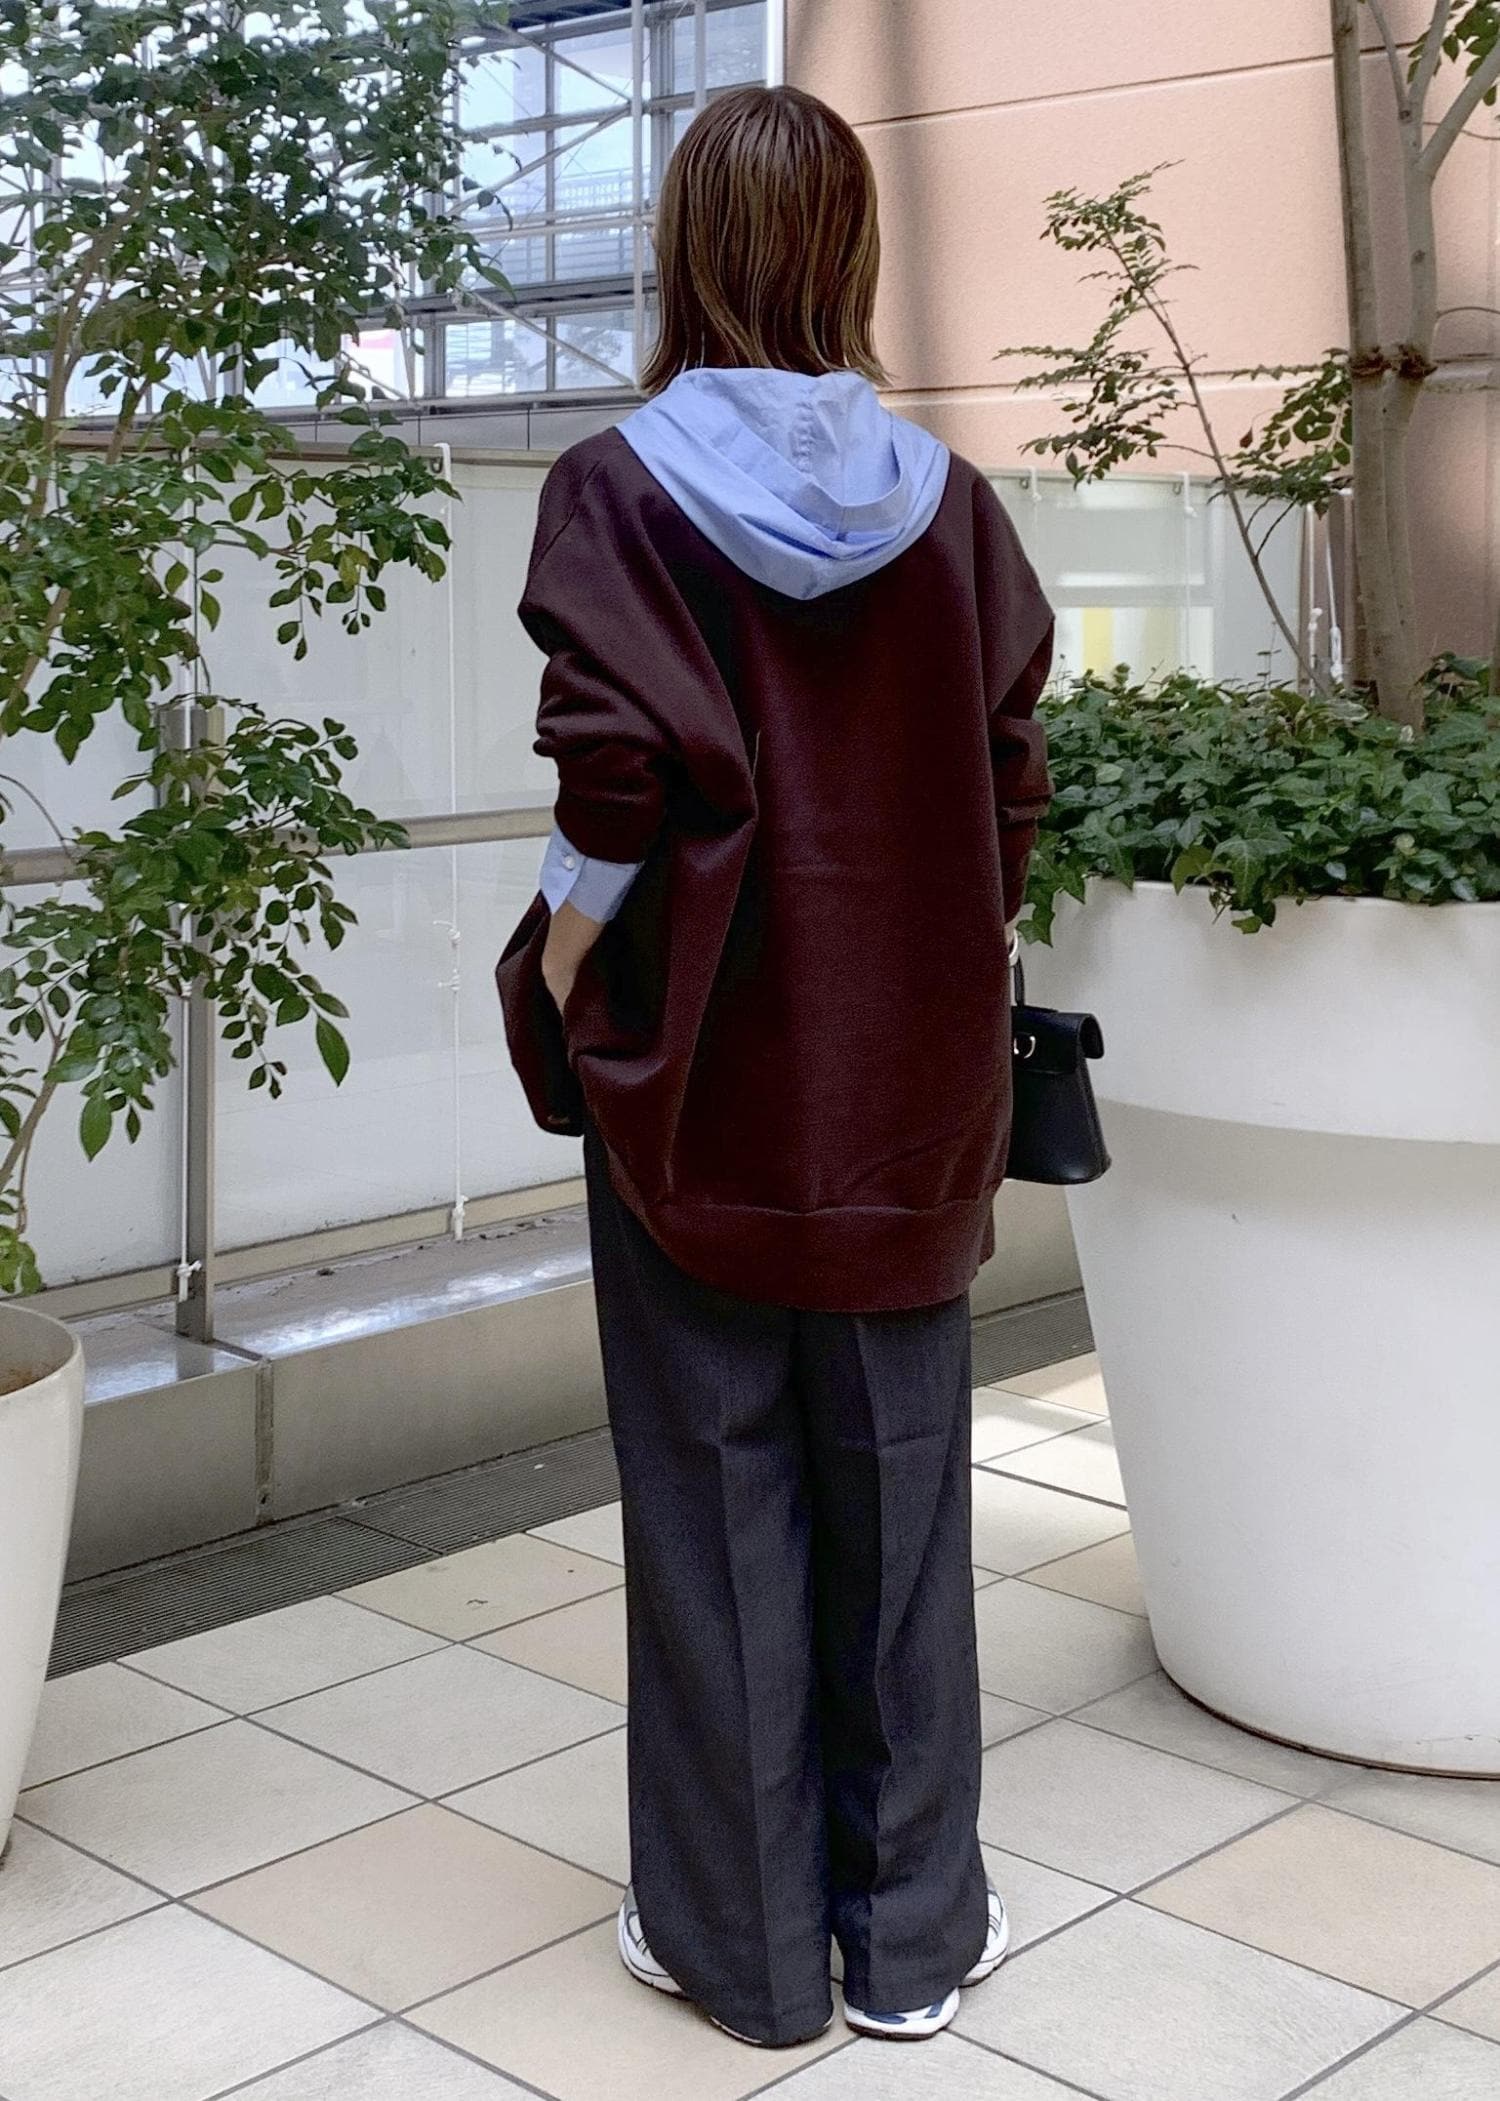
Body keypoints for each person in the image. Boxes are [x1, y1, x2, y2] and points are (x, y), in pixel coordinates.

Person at [497, 82, 1053, 2049]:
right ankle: (911, 1938)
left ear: (684, 250)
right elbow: (1007, 790)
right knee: (900, 1490)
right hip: (910, 1078)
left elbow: (613, 795)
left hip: (700, 1079)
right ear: (851, 251)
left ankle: (740, 1949)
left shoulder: (614, 491)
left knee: (715, 1486)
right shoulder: (954, 510)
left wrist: (559, 972)